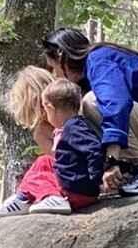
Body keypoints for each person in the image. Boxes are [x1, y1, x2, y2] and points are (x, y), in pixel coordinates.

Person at [41, 26, 138, 195]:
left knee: (92, 102)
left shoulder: (99, 60)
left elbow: (117, 104)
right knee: (82, 115)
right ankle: (131, 174)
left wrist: (112, 160)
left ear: (61, 56)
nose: (55, 75)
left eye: (54, 68)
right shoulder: (94, 66)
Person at [0, 66, 73, 216]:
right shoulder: (49, 127)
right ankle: (24, 197)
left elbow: (59, 164)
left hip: (76, 177)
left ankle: (32, 197)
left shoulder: (47, 130)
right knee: (40, 165)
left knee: (42, 164)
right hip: (75, 174)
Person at [44, 78, 107, 211]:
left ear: (50, 108)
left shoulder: (74, 128)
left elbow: (94, 150)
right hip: (79, 189)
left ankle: (23, 197)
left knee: (41, 166)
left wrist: (96, 180)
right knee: (46, 162)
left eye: (46, 110)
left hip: (77, 193)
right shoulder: (75, 126)